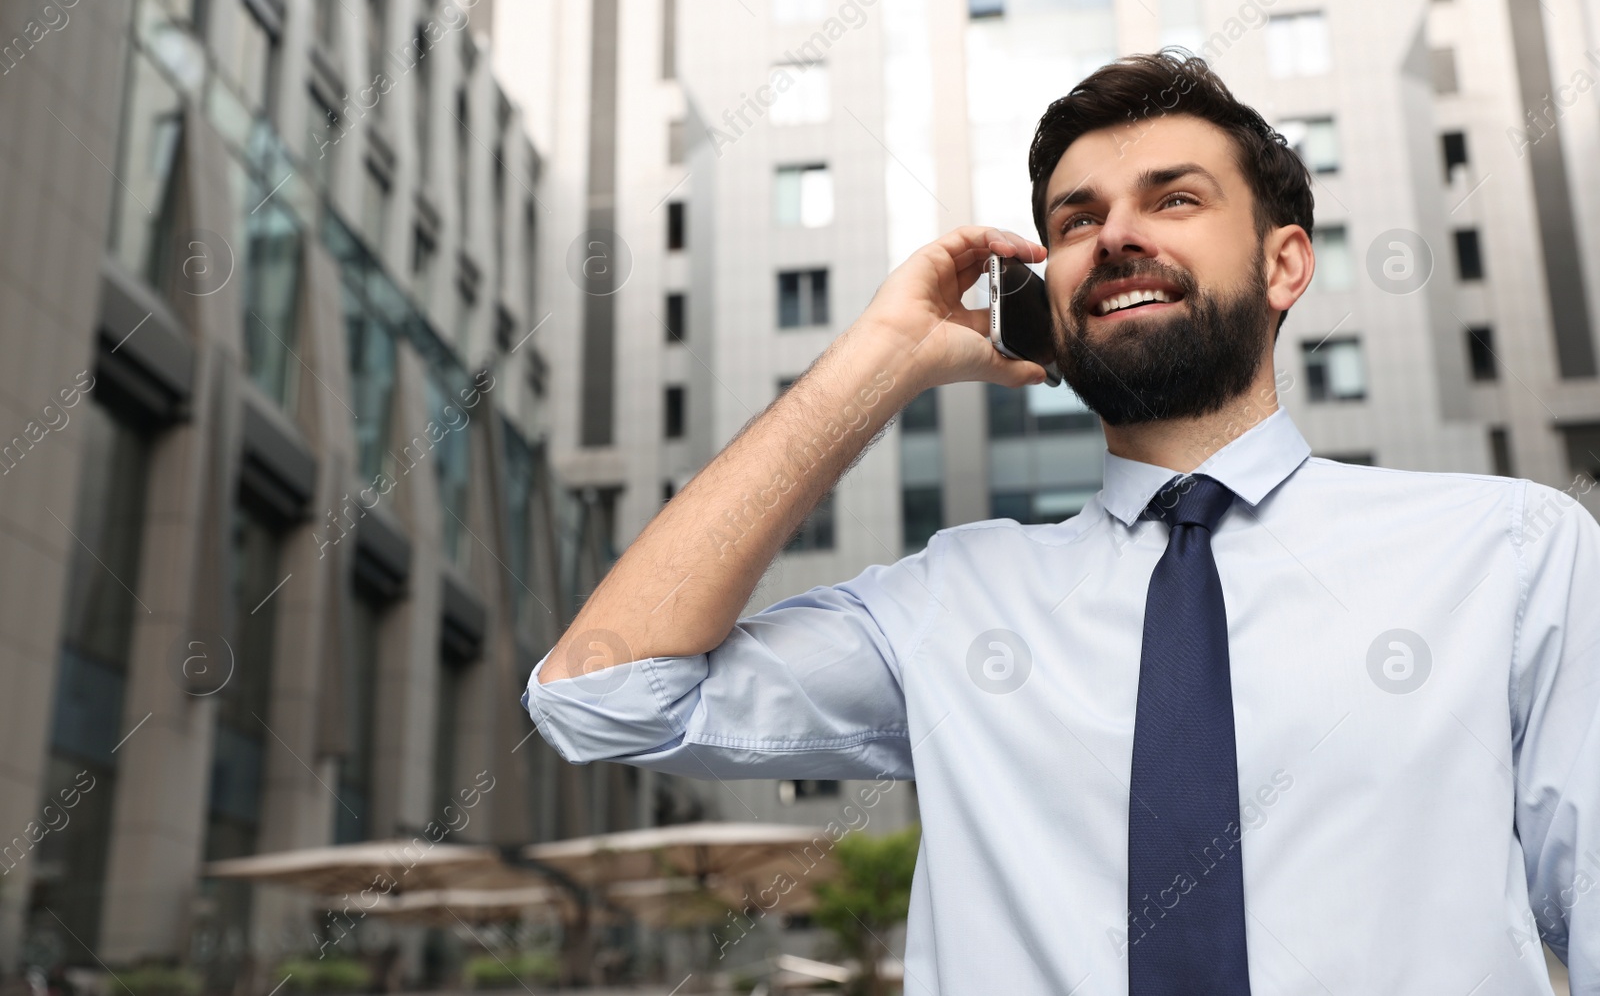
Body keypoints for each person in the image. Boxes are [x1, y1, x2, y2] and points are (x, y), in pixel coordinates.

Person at [525, 52, 1599, 993]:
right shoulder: (952, 601)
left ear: (1285, 263)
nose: (1114, 234)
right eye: (1075, 219)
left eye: (1172, 199)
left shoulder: (1508, 552)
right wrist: (877, 363)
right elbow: (603, 696)